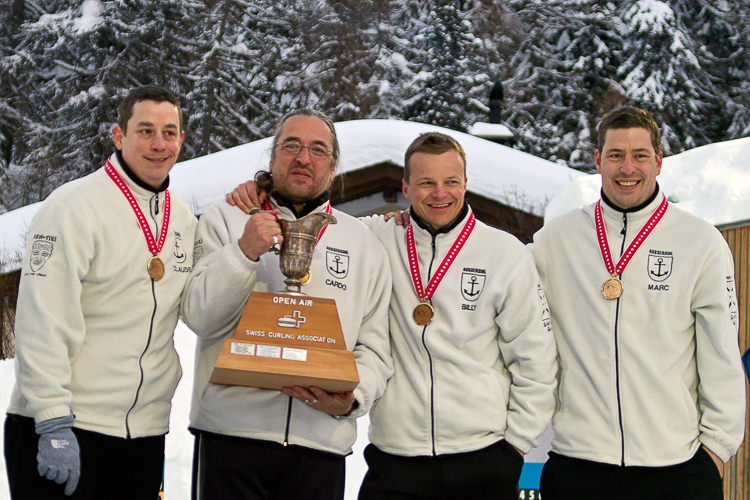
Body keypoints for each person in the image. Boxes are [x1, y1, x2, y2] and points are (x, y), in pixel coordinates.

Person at [227, 132, 558, 500]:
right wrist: (261, 191)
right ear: (405, 186)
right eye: (426, 183)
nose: (440, 193)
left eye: (451, 182)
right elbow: (322, 218)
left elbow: (536, 359)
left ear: (466, 183)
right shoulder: (377, 237)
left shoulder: (504, 253)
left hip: (483, 460)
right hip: (396, 461)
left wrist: (514, 447)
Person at [530, 106, 746, 500]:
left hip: (676, 469)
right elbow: (491, 274)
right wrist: (403, 230)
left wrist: (715, 450)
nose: (627, 167)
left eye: (640, 155)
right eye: (615, 155)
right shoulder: (555, 241)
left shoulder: (700, 241)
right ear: (597, 160)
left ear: (659, 161)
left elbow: (721, 354)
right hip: (579, 465)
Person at [181, 108, 393, 500]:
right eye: (291, 145)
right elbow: (199, 316)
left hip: (320, 444)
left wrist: (353, 396)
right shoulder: (226, 219)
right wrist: (243, 253)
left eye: (318, 149)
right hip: (232, 436)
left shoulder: (362, 243)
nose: (303, 157)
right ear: (273, 156)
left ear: (333, 167)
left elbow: (375, 346)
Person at [4, 85, 197, 499]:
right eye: (145, 130)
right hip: (66, 427)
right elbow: (42, 320)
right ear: (118, 136)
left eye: (169, 132)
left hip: (141, 435)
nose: (158, 144)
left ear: (181, 139)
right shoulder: (73, 207)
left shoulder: (182, 218)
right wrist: (53, 421)